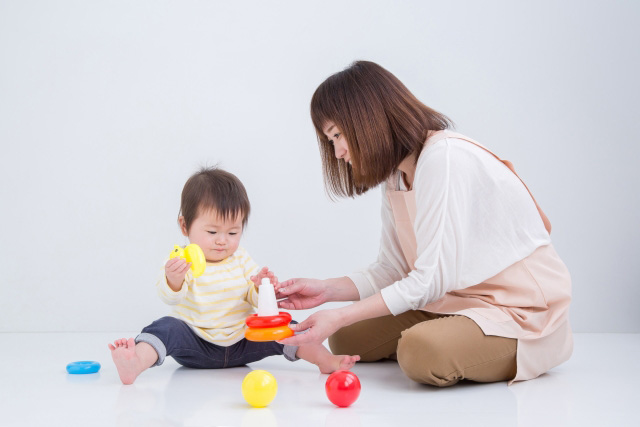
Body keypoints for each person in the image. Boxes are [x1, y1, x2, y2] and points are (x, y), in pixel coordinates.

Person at [276, 61, 572, 387]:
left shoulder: (443, 158)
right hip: (452, 300)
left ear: (367, 119)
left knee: (419, 352)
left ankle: (532, 347)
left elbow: (428, 280)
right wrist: (327, 291)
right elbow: (392, 269)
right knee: (346, 337)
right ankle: (451, 332)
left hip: (519, 309)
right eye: (330, 140)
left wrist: (342, 313)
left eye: (337, 135)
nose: (338, 152)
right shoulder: (397, 175)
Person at [109, 167, 359, 385]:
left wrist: (263, 288)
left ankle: (325, 360)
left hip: (244, 341)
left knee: (284, 326)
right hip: (197, 345)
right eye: (212, 231)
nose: (222, 241)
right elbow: (170, 296)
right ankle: (135, 362)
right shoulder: (181, 261)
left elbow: (254, 299)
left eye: (232, 233)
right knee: (165, 327)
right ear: (185, 226)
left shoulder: (241, 259)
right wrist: (173, 279)